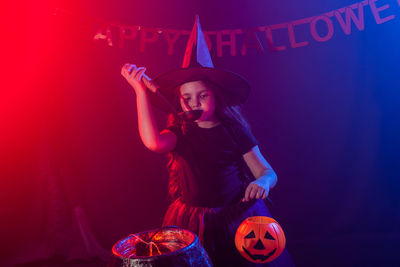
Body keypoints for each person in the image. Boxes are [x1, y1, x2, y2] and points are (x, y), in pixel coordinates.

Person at [121, 63, 295, 267]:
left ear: (216, 97)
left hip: (235, 215)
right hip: (191, 221)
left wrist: (264, 181)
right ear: (178, 101)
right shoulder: (179, 132)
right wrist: (140, 92)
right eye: (187, 98)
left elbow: (268, 172)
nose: (194, 103)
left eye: (203, 96)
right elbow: (154, 143)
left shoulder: (234, 131)